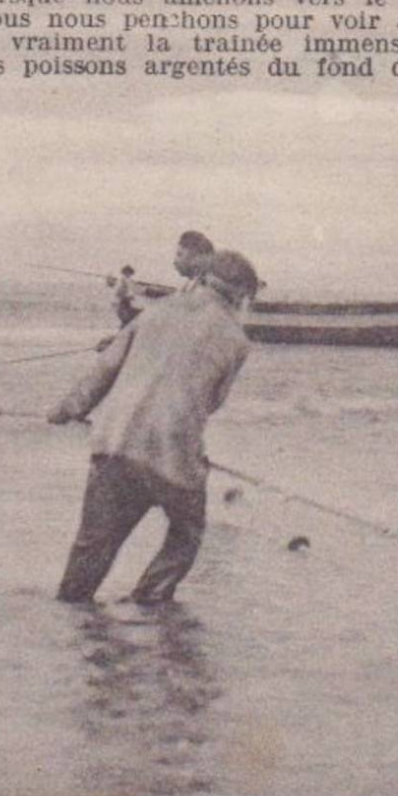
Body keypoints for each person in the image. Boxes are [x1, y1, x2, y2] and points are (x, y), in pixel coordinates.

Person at [48, 249, 259, 605]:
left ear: (205, 279)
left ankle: (71, 615)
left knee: (93, 546)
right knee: (186, 533)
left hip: (114, 444)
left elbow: (103, 371)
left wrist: (66, 410)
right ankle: (149, 601)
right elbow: (212, 402)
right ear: (239, 295)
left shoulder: (154, 312)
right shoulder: (236, 340)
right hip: (172, 458)